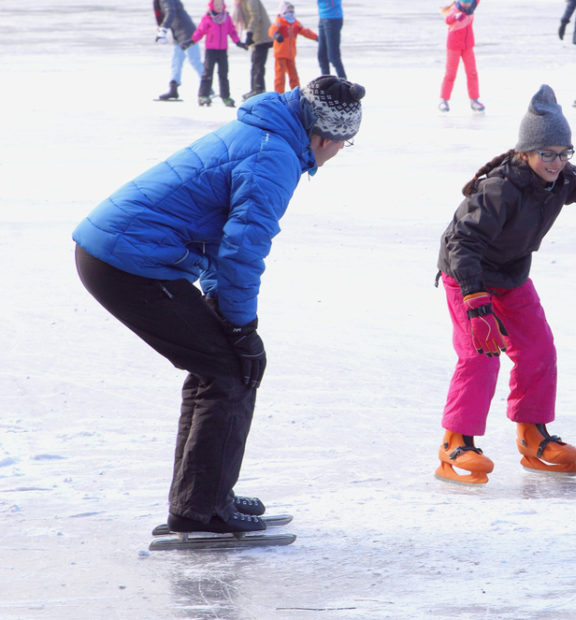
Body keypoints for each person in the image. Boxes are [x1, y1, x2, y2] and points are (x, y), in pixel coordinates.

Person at [72, 76, 365, 534]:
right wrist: (241, 328)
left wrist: (223, 311)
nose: (339, 153)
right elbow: (243, 250)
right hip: (127, 262)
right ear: (326, 137)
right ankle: (202, 511)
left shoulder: (267, 132)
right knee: (232, 369)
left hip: (118, 253)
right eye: (347, 144)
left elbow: (215, 234)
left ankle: (203, 499)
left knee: (218, 367)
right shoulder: (274, 156)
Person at [434, 84, 576, 484]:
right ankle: (455, 440)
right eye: (546, 154)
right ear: (525, 152)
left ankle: (533, 435)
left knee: (538, 349)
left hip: (511, 275)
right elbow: (463, 242)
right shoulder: (502, 188)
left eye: (563, 153)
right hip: (467, 275)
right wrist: (477, 305)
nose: (556, 162)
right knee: (480, 355)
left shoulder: (561, 179)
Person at [184, 0, 248, 107]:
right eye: (216, 5)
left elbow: (232, 31)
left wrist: (238, 42)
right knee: (207, 73)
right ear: (212, 6)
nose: (219, 7)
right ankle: (203, 95)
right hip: (211, 51)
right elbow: (200, 31)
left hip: (222, 51)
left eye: (220, 4)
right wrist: (192, 41)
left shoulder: (226, 17)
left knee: (224, 74)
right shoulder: (208, 18)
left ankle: (225, 96)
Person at [438, 0, 484, 113]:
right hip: (454, 46)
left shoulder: (472, 5)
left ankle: (474, 100)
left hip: (468, 45)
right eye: (465, 2)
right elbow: (447, 20)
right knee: (450, 74)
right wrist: (455, 16)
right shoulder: (455, 8)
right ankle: (443, 100)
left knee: (472, 72)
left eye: (469, 2)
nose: (467, 4)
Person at [153, 0, 205, 101]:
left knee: (194, 60)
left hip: (187, 33)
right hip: (178, 33)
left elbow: (170, 12)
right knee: (176, 61)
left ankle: (207, 87)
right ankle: (173, 88)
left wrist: (163, 28)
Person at [269, 2, 318, 93]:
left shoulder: (295, 23)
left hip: (291, 55)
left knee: (294, 76)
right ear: (283, 11)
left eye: (292, 11)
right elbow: (272, 30)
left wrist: (316, 37)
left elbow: (305, 31)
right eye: (288, 11)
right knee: (280, 77)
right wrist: (276, 35)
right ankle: (279, 94)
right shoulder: (279, 22)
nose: (290, 13)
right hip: (280, 54)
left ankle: (297, 93)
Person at [232, 0, 274, 101]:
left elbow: (255, 16)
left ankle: (258, 89)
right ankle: (256, 89)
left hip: (261, 35)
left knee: (257, 63)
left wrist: (250, 33)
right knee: (256, 63)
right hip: (258, 35)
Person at [317, 0, 346, 79]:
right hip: (323, 18)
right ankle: (326, 83)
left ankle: (344, 83)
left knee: (333, 56)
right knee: (322, 56)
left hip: (333, 18)